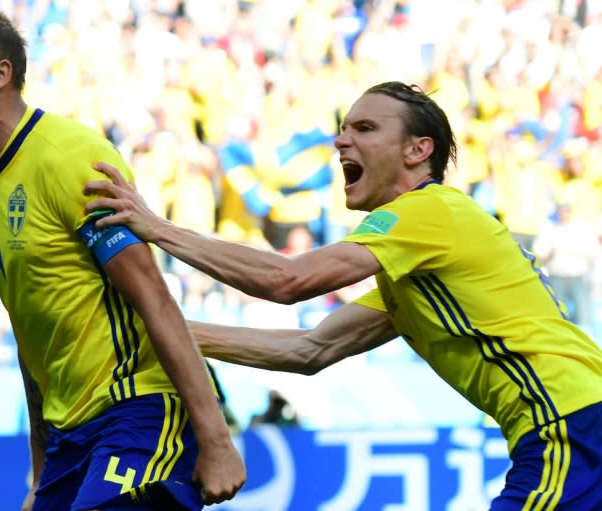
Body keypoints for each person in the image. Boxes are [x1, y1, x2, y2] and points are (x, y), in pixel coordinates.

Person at [82, 81, 602, 509]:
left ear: (418, 151)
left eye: (365, 129)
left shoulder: (428, 214)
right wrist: (159, 332)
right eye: (343, 128)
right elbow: (310, 351)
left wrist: (155, 227)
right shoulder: (419, 266)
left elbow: (288, 282)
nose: (340, 141)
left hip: (569, 426)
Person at [0, 5, 245, 511]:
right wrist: (40, 470)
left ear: (0, 74)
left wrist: (219, 442)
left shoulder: (71, 157)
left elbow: (155, 298)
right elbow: (31, 331)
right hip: (69, 434)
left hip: (139, 407)